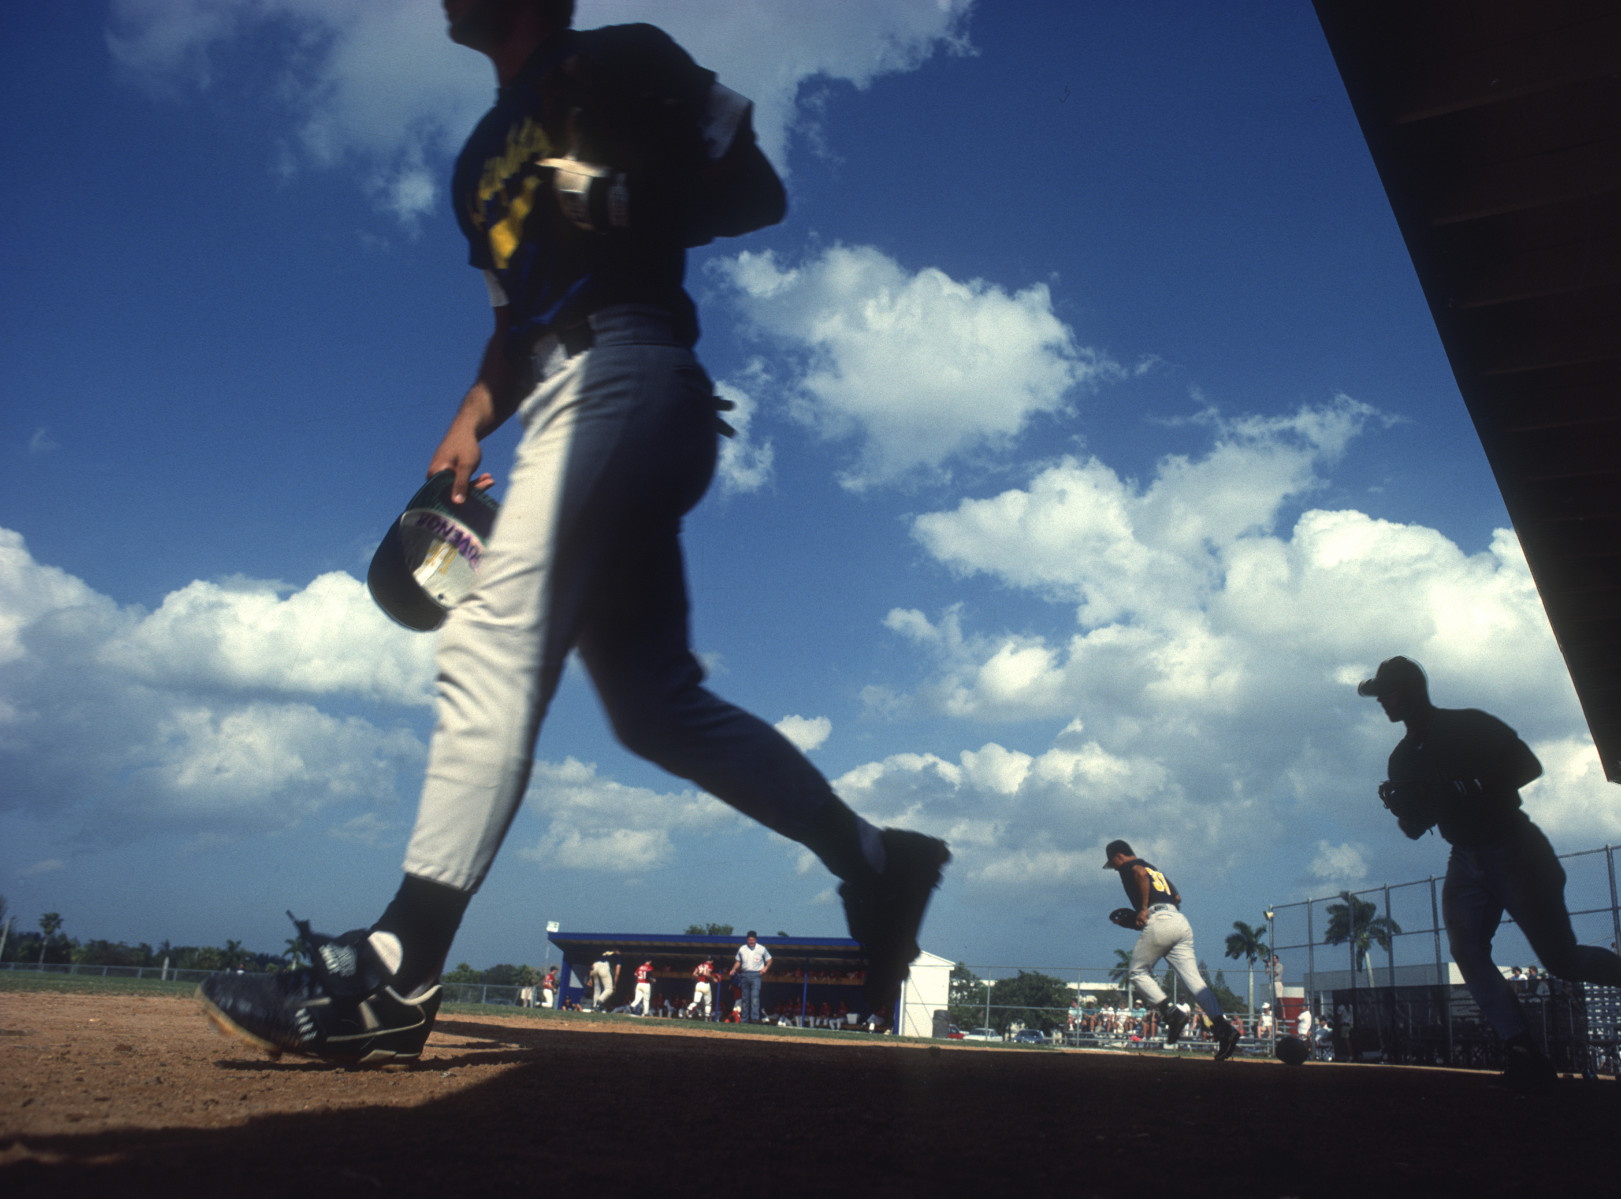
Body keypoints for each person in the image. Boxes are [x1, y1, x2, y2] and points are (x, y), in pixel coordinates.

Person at [196, 0, 948, 1066]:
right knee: (654, 709)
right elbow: (514, 320)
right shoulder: (475, 164)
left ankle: (395, 968)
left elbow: (757, 191)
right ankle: (874, 859)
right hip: (559, 389)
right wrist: (468, 417)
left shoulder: (619, 58)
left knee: (497, 631)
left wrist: (624, 195)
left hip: (627, 370)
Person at [1357, 656, 1621, 1092]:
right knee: (1467, 951)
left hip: (1514, 846)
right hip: (1465, 855)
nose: (1383, 703)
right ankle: (1523, 1051)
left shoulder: (1466, 726)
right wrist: (1410, 812)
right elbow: (1412, 829)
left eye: (1388, 693)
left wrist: (1465, 787)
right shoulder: (1403, 758)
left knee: (1561, 960)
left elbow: (1529, 767)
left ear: (1411, 691)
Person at [1103, 840, 1238, 1060]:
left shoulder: (1131, 866)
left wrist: (1144, 909)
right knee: (1195, 983)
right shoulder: (1154, 868)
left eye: (1114, 863)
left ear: (1119, 856)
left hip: (1160, 918)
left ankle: (1171, 1013)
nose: (1115, 868)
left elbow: (1139, 874)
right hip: (1179, 920)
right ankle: (1224, 1028)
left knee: (1137, 973)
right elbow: (1176, 897)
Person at [730, 931, 772, 1023]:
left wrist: (766, 968)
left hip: (756, 975)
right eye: (749, 939)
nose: (751, 941)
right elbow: (738, 961)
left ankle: (754, 1019)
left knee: (755, 997)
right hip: (744, 974)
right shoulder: (742, 949)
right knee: (745, 998)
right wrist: (733, 969)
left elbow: (769, 959)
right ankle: (744, 1019)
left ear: (756, 940)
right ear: (747, 940)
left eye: (753, 939)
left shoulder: (761, 948)